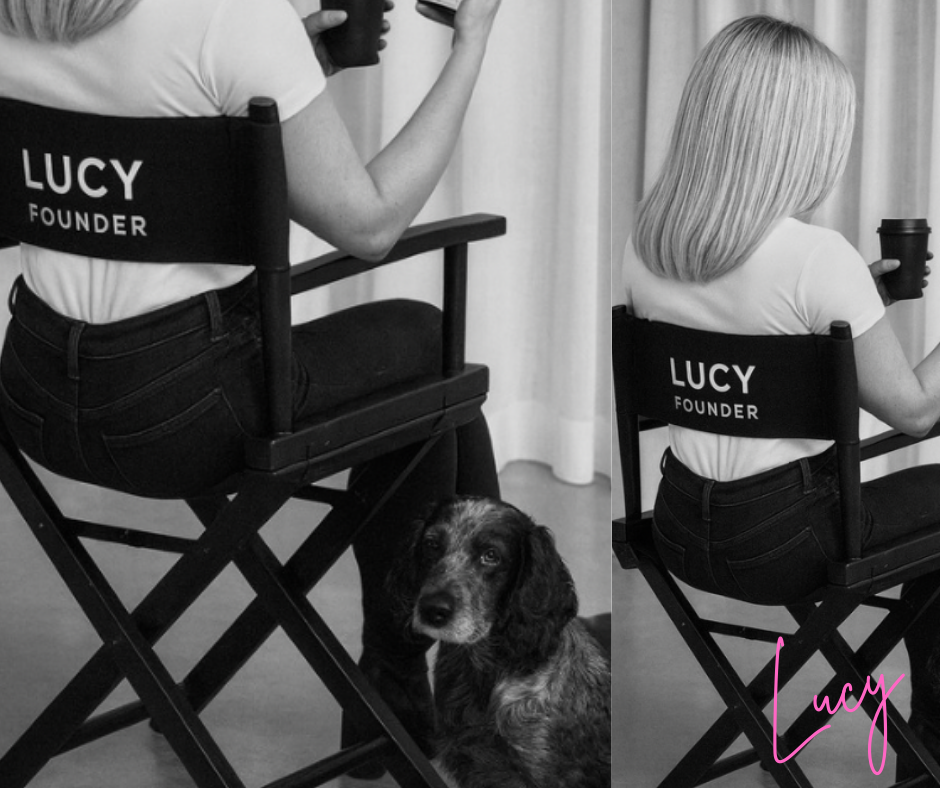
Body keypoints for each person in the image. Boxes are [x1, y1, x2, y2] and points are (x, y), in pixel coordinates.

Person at [0, 0, 502, 776]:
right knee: (434, 352)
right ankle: (420, 674)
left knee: (435, 391)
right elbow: (368, 227)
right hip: (185, 423)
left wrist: (297, 72)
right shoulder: (230, 16)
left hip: (31, 399)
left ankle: (437, 675)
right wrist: (470, 46)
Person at [624, 14, 940, 781]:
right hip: (787, 547)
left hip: (677, 528)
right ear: (800, 137)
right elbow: (917, 412)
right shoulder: (815, 258)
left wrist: (862, 307)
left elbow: (753, 331)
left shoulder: (649, 242)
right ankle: (929, 755)